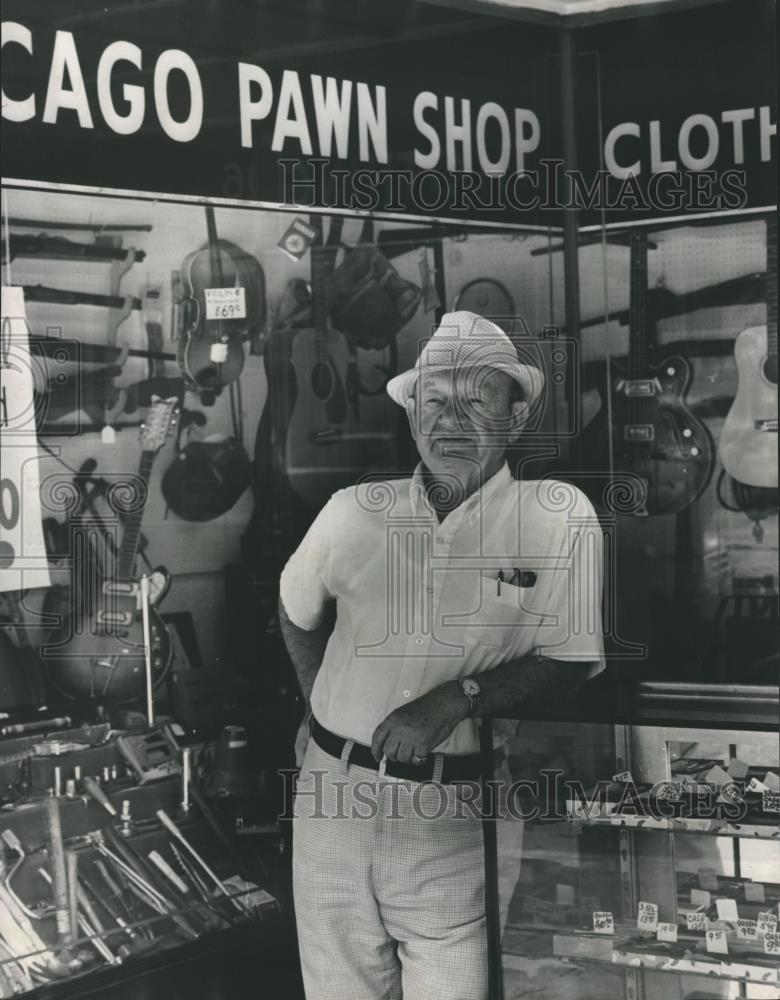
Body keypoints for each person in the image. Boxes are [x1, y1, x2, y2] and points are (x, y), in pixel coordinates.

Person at [279, 310, 604, 1000]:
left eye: (474, 400)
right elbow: (293, 606)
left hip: (458, 804)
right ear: (411, 416)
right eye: (432, 400)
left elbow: (570, 657)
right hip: (331, 799)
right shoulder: (353, 510)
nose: (448, 419)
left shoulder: (558, 516)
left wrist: (458, 699)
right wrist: (318, 698)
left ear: (515, 419)